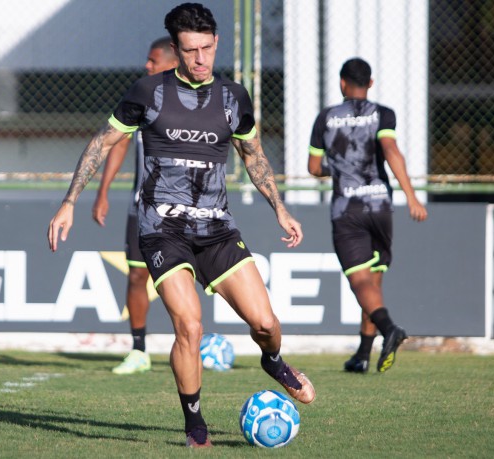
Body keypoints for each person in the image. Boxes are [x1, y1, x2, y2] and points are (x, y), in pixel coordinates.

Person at [49, 2, 315, 448]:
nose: (200, 59)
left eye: (207, 49)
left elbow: (254, 157)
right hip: (162, 230)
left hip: (218, 231)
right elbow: (102, 142)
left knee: (266, 324)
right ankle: (195, 424)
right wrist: (70, 201)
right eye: (190, 51)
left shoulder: (233, 97)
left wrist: (280, 209)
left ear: (216, 43)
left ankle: (272, 361)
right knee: (189, 326)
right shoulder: (148, 92)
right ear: (176, 49)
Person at [307, 58, 427, 374]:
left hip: (348, 209)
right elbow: (391, 150)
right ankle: (362, 354)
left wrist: (338, 168)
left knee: (360, 281)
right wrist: (411, 196)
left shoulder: (326, 118)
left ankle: (390, 330)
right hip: (380, 206)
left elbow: (313, 167)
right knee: (373, 281)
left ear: (342, 83)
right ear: (370, 83)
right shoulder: (383, 114)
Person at [92, 37, 180, 375]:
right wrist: (103, 191)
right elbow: (118, 141)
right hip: (143, 206)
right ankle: (139, 350)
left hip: (185, 209)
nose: (147, 65)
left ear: (172, 62)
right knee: (137, 275)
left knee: (185, 278)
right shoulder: (142, 95)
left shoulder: (197, 99)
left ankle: (189, 343)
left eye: (153, 60)